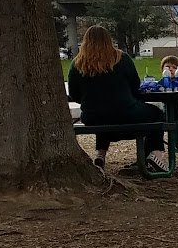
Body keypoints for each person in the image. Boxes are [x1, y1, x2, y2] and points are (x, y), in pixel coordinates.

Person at [66, 26, 167, 173]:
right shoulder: (122, 58)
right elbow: (135, 86)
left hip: (92, 117)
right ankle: (156, 155)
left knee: (102, 112)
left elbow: (74, 94)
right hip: (125, 114)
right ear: (109, 40)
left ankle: (100, 154)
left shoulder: (77, 64)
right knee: (156, 113)